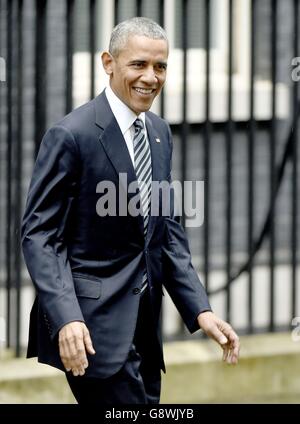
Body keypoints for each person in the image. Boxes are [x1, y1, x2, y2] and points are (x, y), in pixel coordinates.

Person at [22, 17, 240, 405]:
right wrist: (66, 317)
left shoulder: (159, 132)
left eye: (160, 66)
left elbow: (167, 231)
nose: (151, 78)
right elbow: (40, 235)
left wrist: (200, 310)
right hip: (91, 327)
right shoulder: (72, 135)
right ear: (109, 62)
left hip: (144, 331)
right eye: (138, 64)